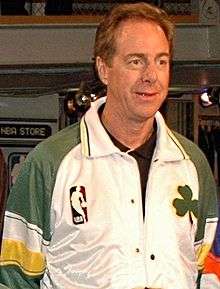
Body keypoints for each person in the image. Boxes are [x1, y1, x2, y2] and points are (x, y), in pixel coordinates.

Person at [0, 3, 218, 289]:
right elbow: (15, 278)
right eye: (136, 61)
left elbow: (209, 271)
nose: (151, 75)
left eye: (161, 61)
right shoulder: (51, 163)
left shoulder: (192, 163)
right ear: (104, 69)